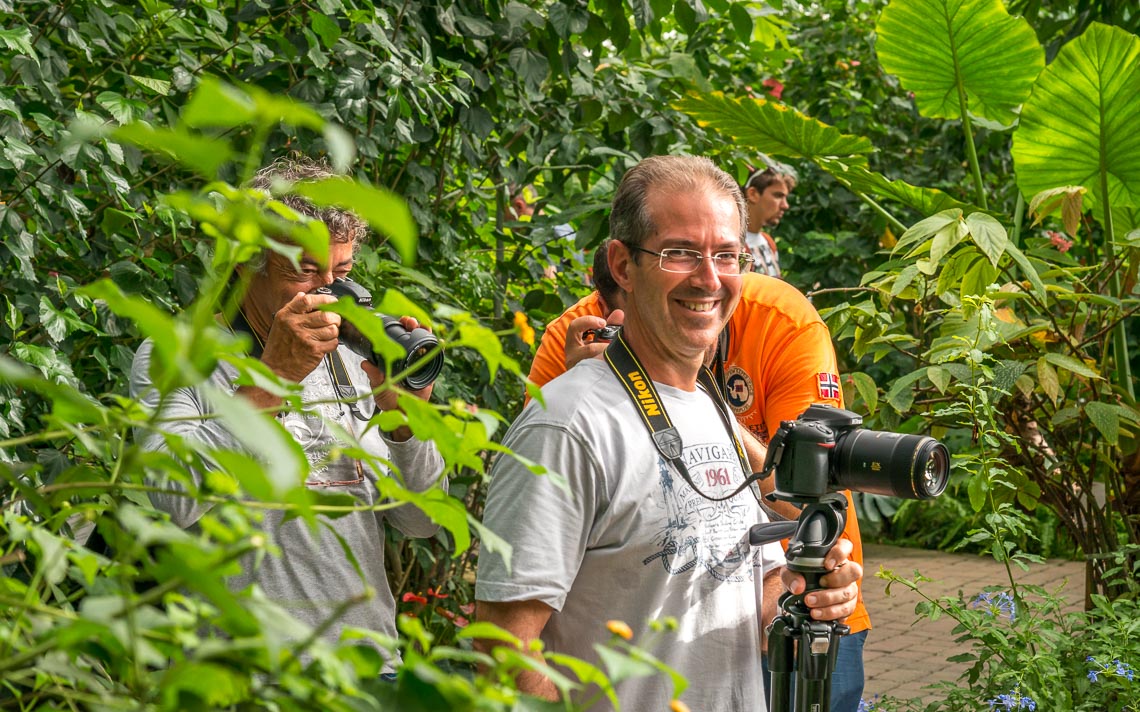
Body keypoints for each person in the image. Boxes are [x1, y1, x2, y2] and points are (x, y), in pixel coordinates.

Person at [475, 155, 862, 710]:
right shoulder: (567, 425)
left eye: (726, 254)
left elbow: (756, 591)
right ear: (623, 265)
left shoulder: (713, 409)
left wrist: (808, 601)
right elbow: (501, 651)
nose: (709, 278)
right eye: (680, 252)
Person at [130, 157, 446, 673]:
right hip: (240, 674)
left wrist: (407, 419)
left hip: (366, 672)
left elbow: (425, 521)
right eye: (305, 271)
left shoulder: (353, 357)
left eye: (340, 273)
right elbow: (170, 501)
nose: (327, 292)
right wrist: (274, 378)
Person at [527, 255, 872, 711]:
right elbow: (538, 511)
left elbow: (815, 501)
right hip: (642, 619)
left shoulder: (779, 321)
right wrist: (592, 389)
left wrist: (705, 409)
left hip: (802, 588)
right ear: (625, 280)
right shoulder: (578, 332)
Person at [742, 158, 797, 278]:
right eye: (778, 196)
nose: (785, 205)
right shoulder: (732, 246)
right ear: (753, 194)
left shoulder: (768, 242)